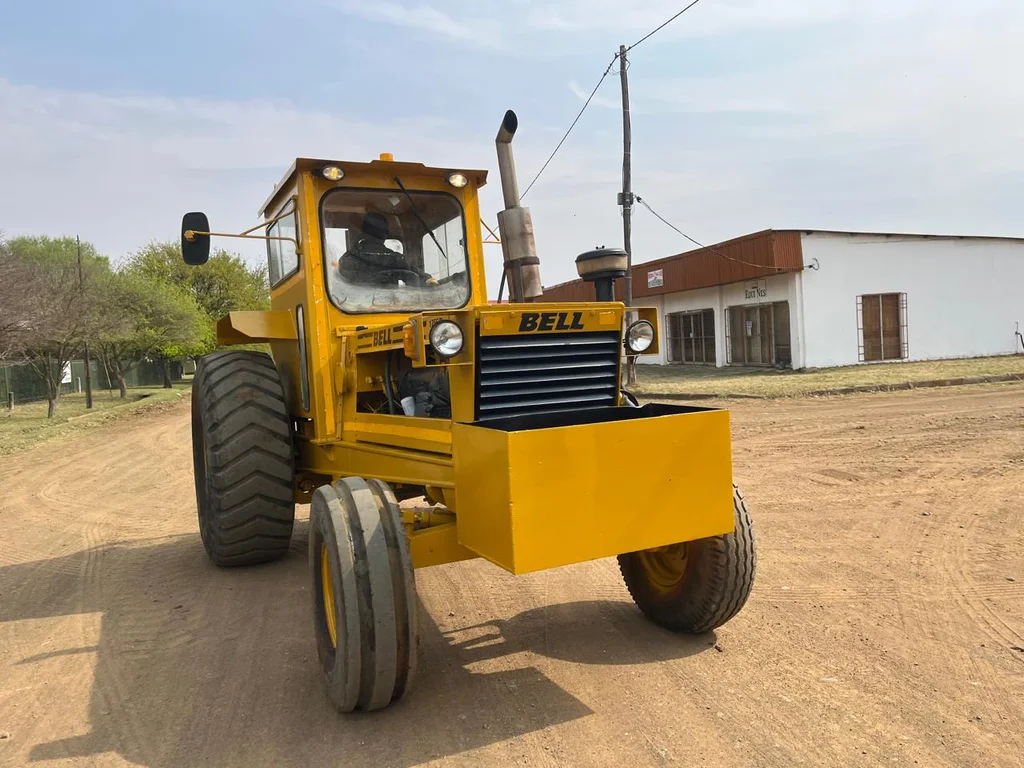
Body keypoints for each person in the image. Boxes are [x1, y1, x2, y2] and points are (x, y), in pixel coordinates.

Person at [338, 212, 436, 287]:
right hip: (387, 307)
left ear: (362, 233)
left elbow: (412, 271)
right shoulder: (394, 258)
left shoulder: (349, 257)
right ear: (385, 235)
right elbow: (412, 271)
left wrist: (426, 279)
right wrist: (426, 279)